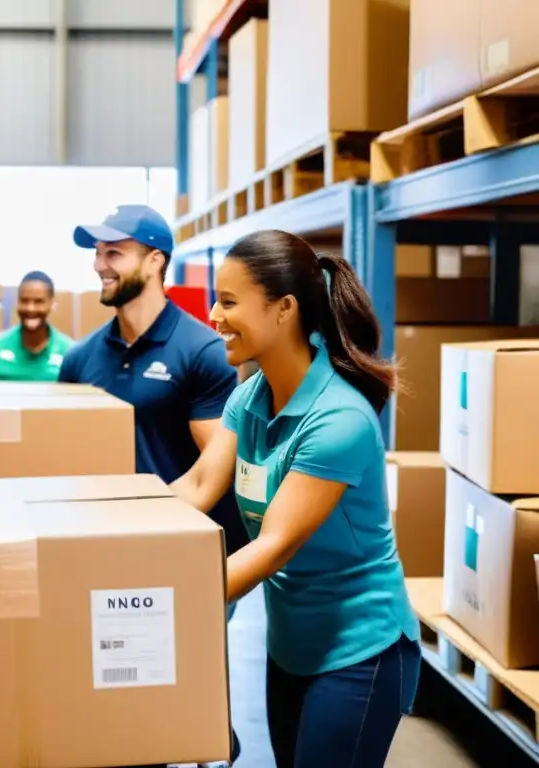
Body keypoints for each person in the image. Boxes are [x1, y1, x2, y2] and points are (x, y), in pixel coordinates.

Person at [170, 230, 422, 768]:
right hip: (290, 643)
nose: (213, 314)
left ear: (283, 309)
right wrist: (107, 535)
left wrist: (165, 599)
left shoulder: (339, 419)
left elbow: (274, 546)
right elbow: (195, 487)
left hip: (359, 648)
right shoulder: (249, 396)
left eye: (229, 301)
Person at [58, 204, 245, 762]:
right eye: (96, 253)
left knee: (171, 697)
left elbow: (218, 468)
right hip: (104, 554)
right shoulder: (81, 359)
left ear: (155, 259)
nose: (99, 265)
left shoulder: (201, 352)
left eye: (113, 252)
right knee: (117, 703)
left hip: (182, 555)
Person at [0, 270, 74, 382]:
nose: (30, 309)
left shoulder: (70, 352)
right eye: (24, 301)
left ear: (52, 304)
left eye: (38, 302)